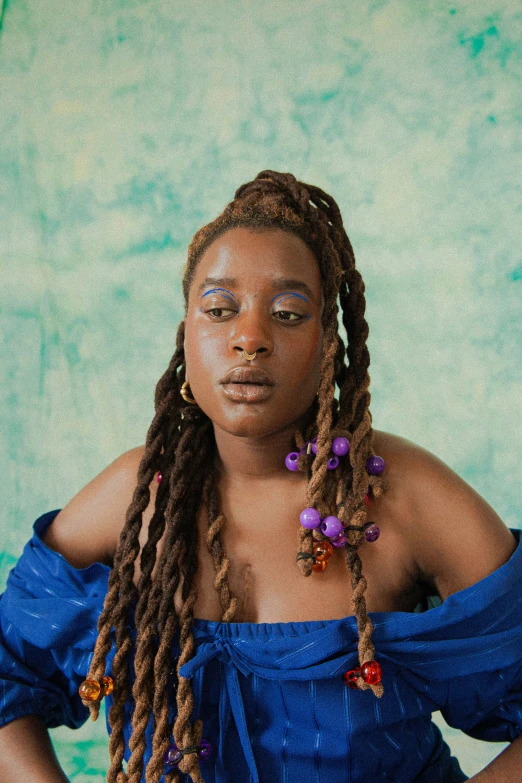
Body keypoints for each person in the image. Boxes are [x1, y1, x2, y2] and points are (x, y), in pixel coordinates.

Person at [0, 170, 521, 783]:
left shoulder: (405, 499)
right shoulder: (137, 497)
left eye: (289, 313)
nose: (249, 338)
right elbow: (10, 672)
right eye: (219, 310)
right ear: (186, 337)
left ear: (330, 340)